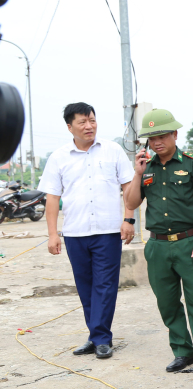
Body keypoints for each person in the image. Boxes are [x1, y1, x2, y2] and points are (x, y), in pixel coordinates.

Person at [124, 109, 193, 377]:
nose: (157, 142)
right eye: (152, 138)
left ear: (175, 135)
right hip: (157, 246)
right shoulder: (146, 168)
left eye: (162, 136)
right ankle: (183, 351)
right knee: (167, 302)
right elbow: (131, 202)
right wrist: (137, 174)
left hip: (188, 242)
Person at [39, 102, 135, 359]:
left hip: (108, 231)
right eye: (82, 122)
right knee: (85, 286)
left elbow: (128, 187)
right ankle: (96, 336)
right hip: (75, 233)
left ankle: (101, 338)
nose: (89, 126)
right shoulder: (59, 157)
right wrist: (52, 234)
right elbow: (52, 198)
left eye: (92, 120)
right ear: (70, 127)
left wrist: (129, 219)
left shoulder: (113, 150)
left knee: (105, 285)